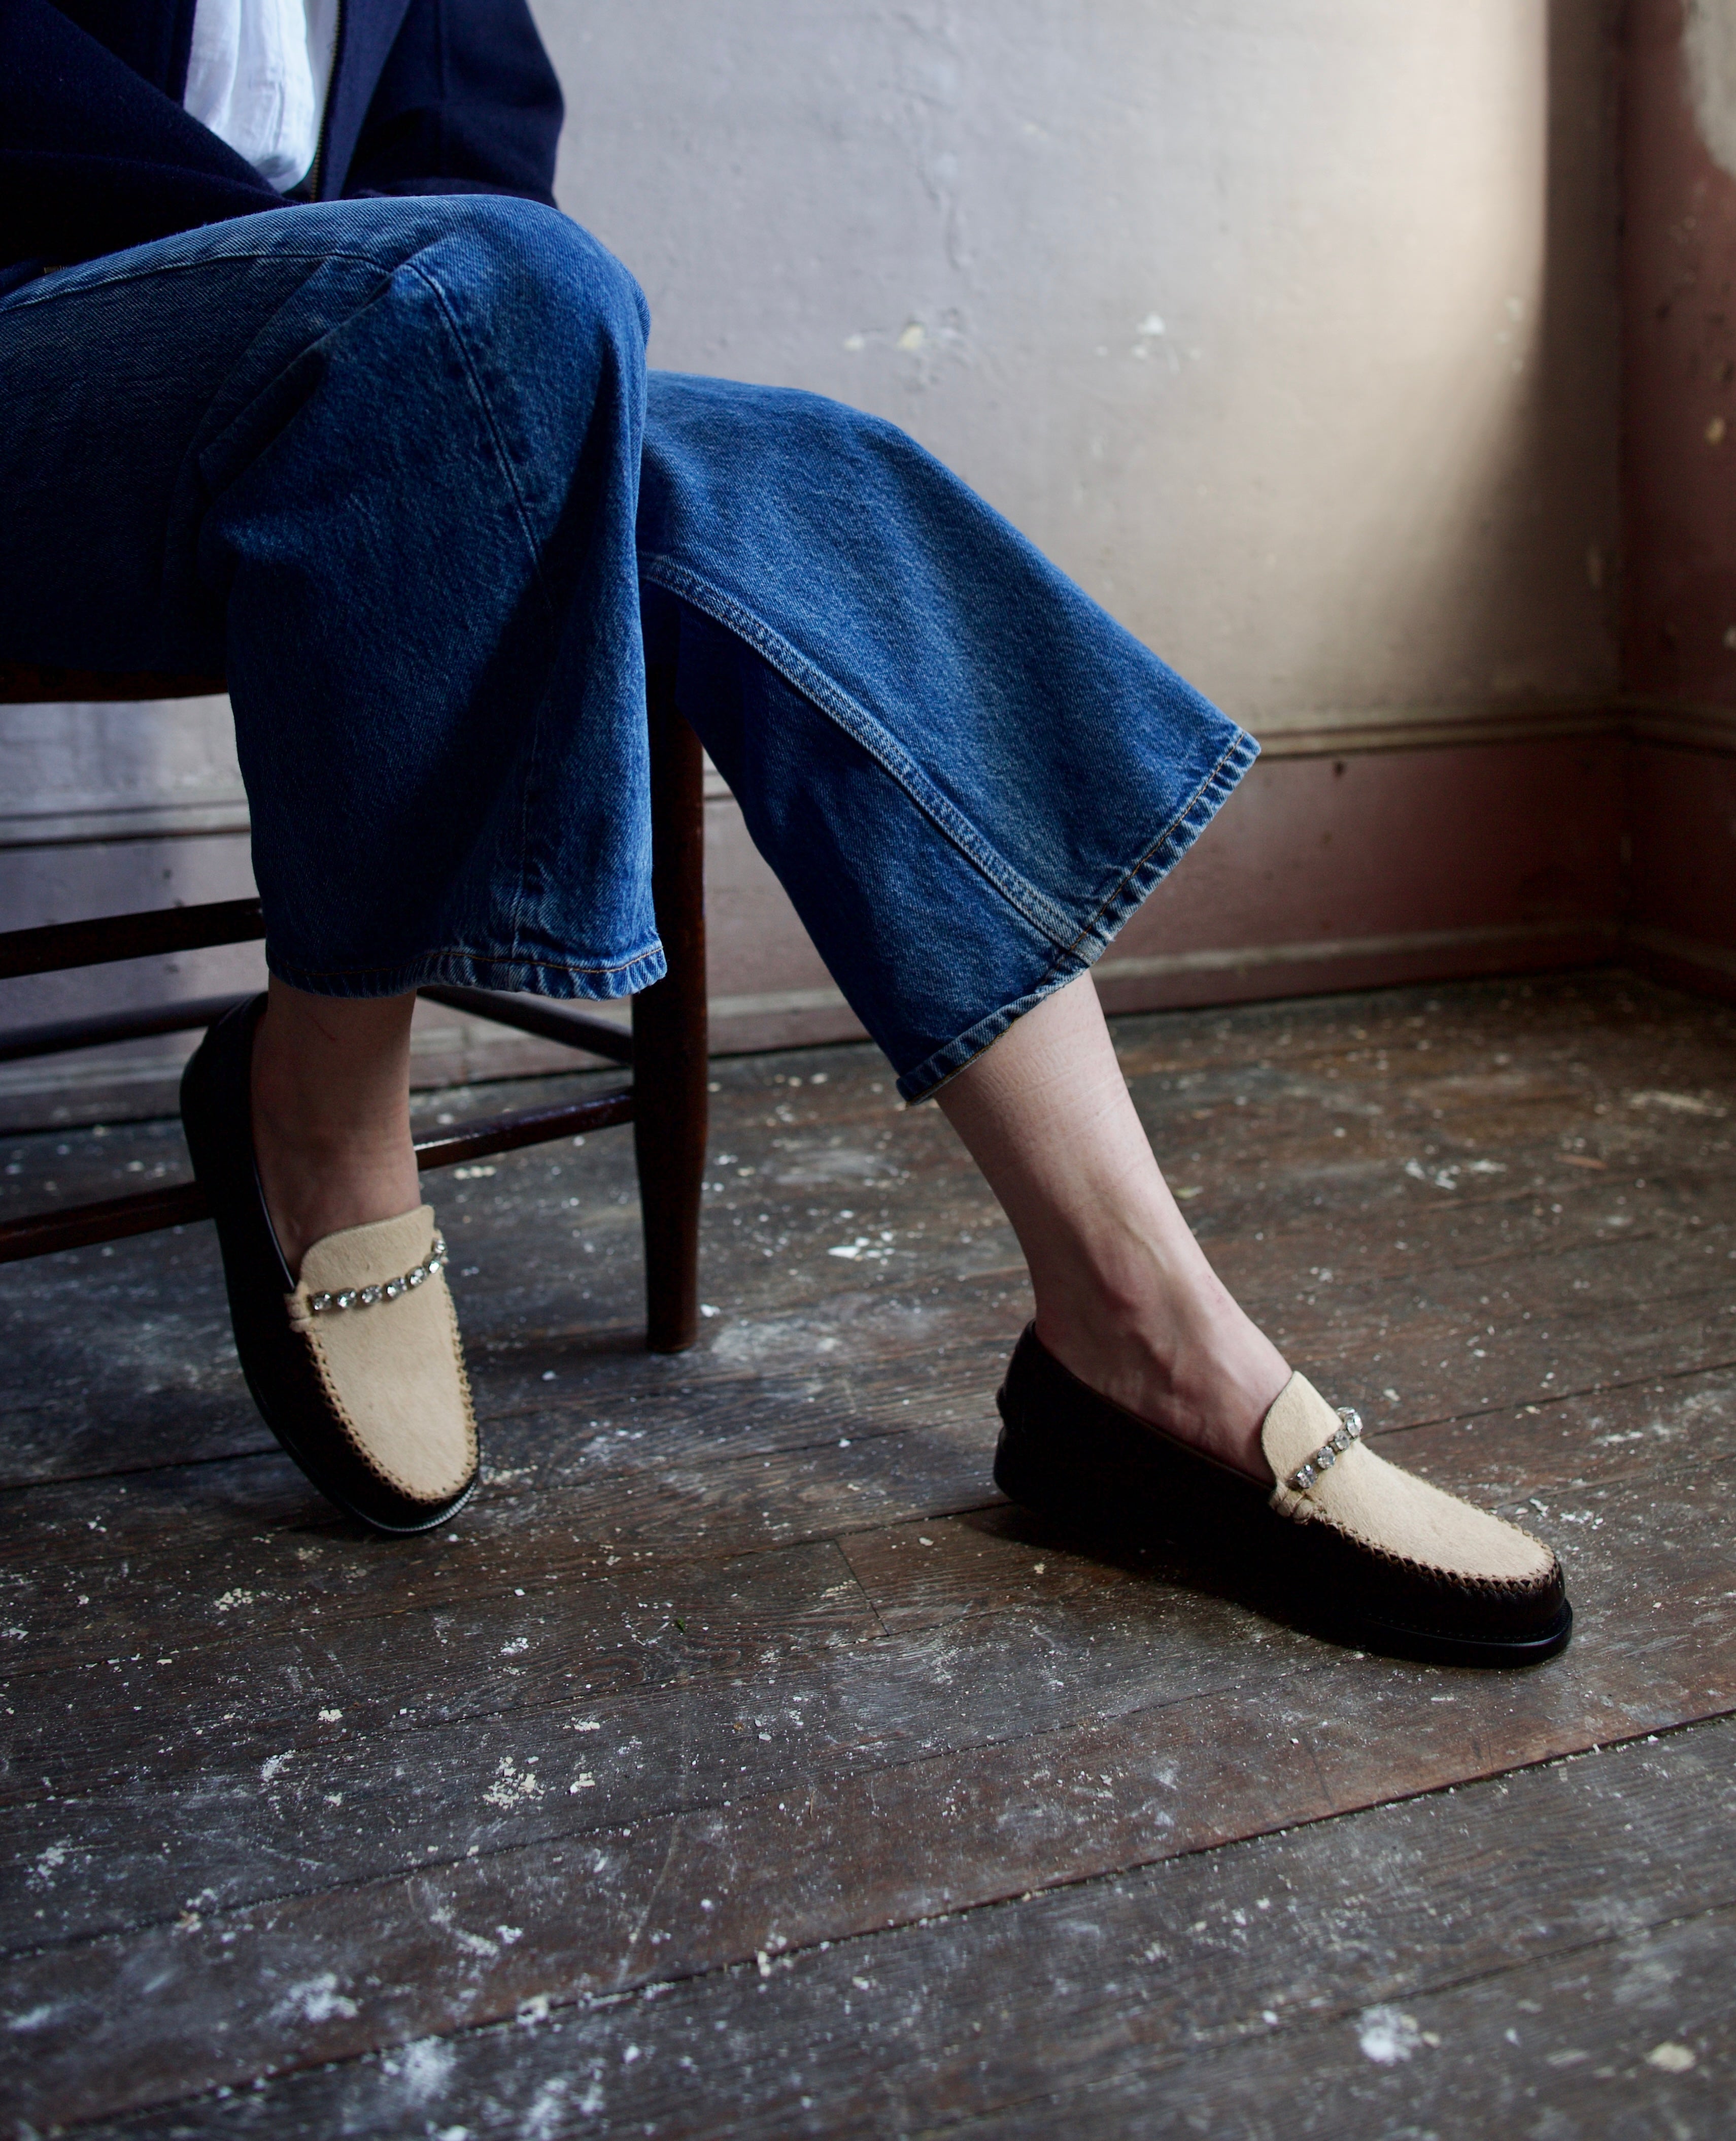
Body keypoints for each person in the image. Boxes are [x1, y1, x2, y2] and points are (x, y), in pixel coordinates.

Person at [0, 0, 1570, 1665]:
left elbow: (480, 173)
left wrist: (423, 318)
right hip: (50, 360)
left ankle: (1138, 1325)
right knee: (475, 303)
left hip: (343, 366)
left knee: (782, 465)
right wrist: (359, 291)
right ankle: (317, 1094)